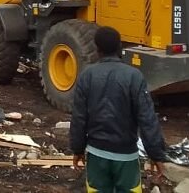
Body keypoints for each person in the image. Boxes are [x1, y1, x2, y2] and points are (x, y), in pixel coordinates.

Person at [70, 27, 167, 192]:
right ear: (119, 46)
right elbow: (147, 119)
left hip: (96, 154)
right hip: (126, 156)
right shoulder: (134, 76)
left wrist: (77, 149)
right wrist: (156, 155)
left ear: (96, 48)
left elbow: (79, 118)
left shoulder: (87, 76)